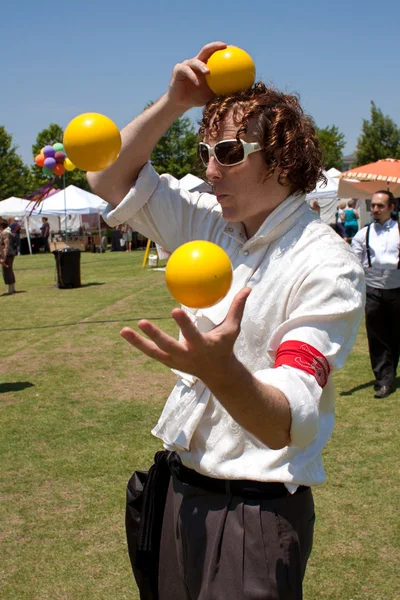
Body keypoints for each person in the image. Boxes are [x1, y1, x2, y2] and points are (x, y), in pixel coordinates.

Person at [87, 41, 365, 599]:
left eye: (230, 152)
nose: (210, 170)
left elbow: (283, 424)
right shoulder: (211, 224)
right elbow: (108, 181)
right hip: (180, 492)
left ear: (283, 160)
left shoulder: (326, 265)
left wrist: (221, 370)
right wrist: (173, 101)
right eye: (206, 152)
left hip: (253, 516)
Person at [351, 190, 400, 398]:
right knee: (377, 336)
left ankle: (390, 372)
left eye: (380, 206)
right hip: (372, 289)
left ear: (391, 208)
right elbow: (353, 260)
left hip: (397, 288)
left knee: (396, 335)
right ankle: (384, 380)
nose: (375, 210)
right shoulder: (364, 233)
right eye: (373, 205)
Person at [0, 220, 18, 295]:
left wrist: (3, 257)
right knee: (9, 270)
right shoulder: (8, 232)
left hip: (7, 254)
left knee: (7, 271)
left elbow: (6, 245)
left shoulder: (4, 233)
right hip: (11, 253)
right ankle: (12, 288)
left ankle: (11, 289)